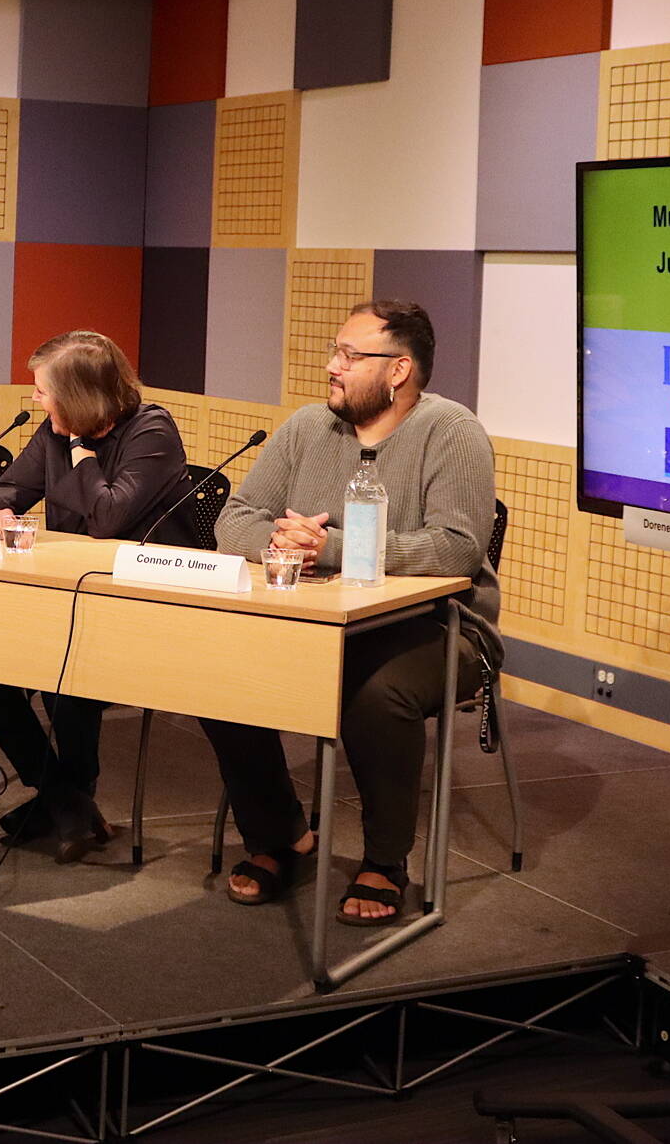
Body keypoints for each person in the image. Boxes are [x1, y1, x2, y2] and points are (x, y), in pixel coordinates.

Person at [203, 299, 502, 926]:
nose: (331, 366)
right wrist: (280, 544)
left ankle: (385, 860)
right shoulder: (308, 427)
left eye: (349, 355)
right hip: (318, 617)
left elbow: (457, 547)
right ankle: (283, 836)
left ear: (397, 371)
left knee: (374, 692)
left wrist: (333, 547)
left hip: (438, 626)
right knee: (222, 678)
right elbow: (234, 518)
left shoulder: (452, 431)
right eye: (335, 352)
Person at [0, 330, 199, 861]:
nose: (37, 401)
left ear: (78, 395)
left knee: (67, 673)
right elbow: (1, 490)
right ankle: (65, 797)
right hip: (71, 596)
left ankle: (66, 801)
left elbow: (108, 517)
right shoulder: (51, 431)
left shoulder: (151, 430)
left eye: (45, 391)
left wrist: (78, 449)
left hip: (145, 601)